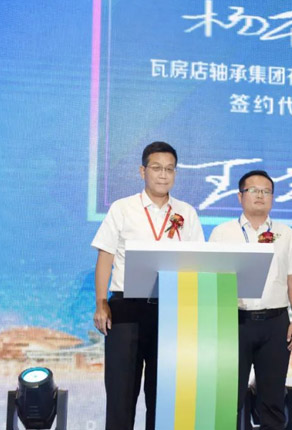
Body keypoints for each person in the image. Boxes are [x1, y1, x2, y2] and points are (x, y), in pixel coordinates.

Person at [91, 141, 205, 430]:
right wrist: (101, 303)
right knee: (121, 394)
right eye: (156, 168)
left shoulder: (187, 212)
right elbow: (105, 256)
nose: (163, 175)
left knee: (164, 398)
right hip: (125, 308)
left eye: (169, 169)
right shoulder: (123, 208)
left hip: (172, 310)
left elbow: (198, 261)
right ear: (143, 171)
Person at [208, 170, 292, 430]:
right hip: (234, 322)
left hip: (275, 323)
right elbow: (211, 278)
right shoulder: (222, 233)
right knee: (228, 398)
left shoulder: (286, 233)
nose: (260, 195)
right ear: (240, 196)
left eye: (266, 191)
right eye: (253, 190)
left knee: (273, 399)